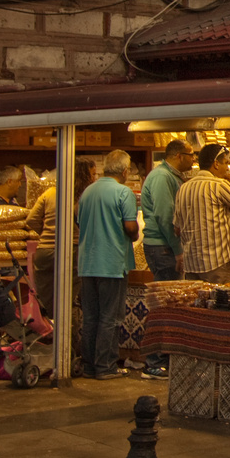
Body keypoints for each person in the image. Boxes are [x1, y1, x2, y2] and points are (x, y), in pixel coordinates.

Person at [76, 150, 138, 380]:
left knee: (91, 317)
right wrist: (133, 235)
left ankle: (89, 365)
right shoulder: (124, 192)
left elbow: (78, 222)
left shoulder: (87, 192)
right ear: (124, 171)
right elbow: (131, 227)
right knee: (110, 318)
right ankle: (106, 366)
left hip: (87, 263)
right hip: (112, 263)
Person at [139, 140, 194, 379]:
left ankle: (163, 358)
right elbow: (165, 216)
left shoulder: (171, 176)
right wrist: (177, 249)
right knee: (164, 305)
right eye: (191, 155)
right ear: (180, 156)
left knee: (168, 304)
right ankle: (154, 362)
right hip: (162, 248)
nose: (194, 160)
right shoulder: (162, 177)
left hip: (164, 247)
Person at [174, 143, 230, 281]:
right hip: (216, 264)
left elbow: (177, 229)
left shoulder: (184, 188)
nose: (227, 168)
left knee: (196, 302)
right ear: (216, 164)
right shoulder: (219, 186)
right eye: (225, 163)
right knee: (219, 302)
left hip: (191, 264)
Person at [25, 156, 97, 314]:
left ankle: (48, 333)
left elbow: (31, 220)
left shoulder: (49, 192)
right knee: (66, 301)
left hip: (44, 252)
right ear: (83, 175)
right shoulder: (83, 197)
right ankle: (64, 336)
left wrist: (46, 233)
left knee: (45, 300)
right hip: (71, 250)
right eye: (92, 174)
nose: (95, 178)